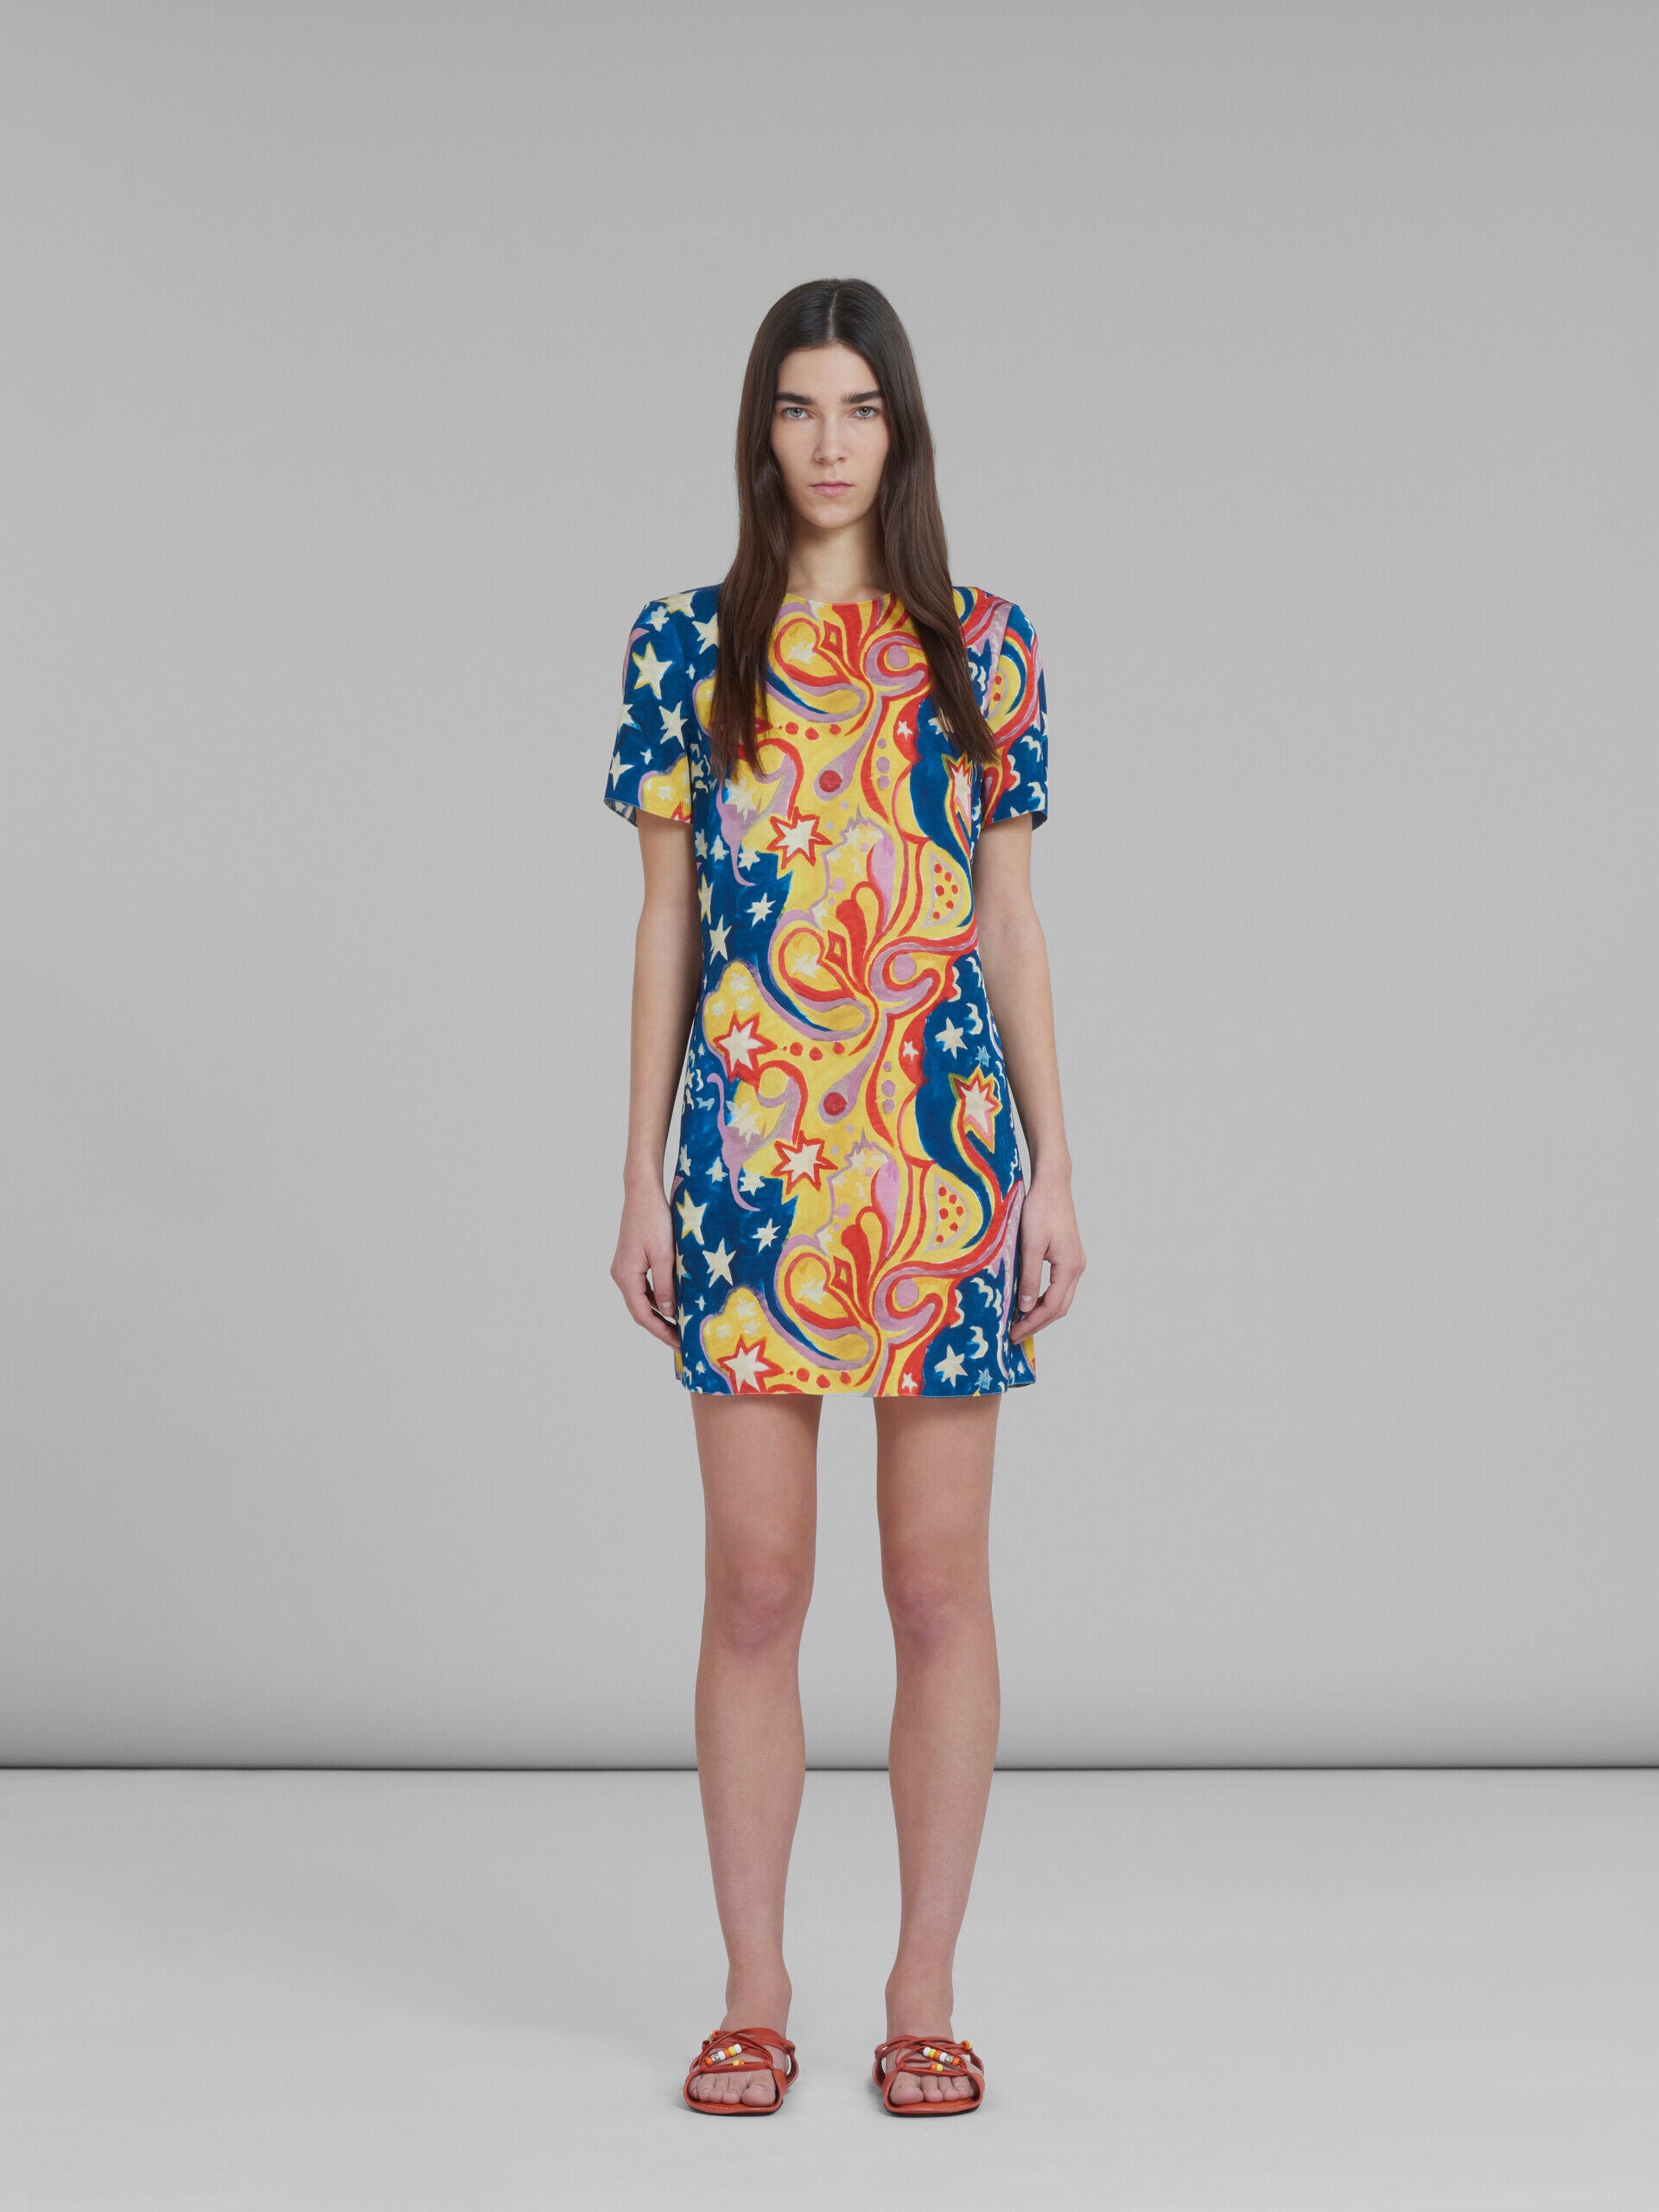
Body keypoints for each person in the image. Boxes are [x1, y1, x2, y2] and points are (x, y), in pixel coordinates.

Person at [601, 276, 1084, 2116]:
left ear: (902, 429)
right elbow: (665, 924)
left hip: (941, 1163)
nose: (828, 441)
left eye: (858, 408)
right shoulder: (683, 647)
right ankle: (753, 1990)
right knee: (756, 1584)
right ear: (761, 432)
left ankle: (924, 1988)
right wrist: (639, 1174)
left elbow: (1012, 925)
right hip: (746, 1167)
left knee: (937, 1584)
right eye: (798, 408)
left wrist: (1055, 1170)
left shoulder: (985, 648)